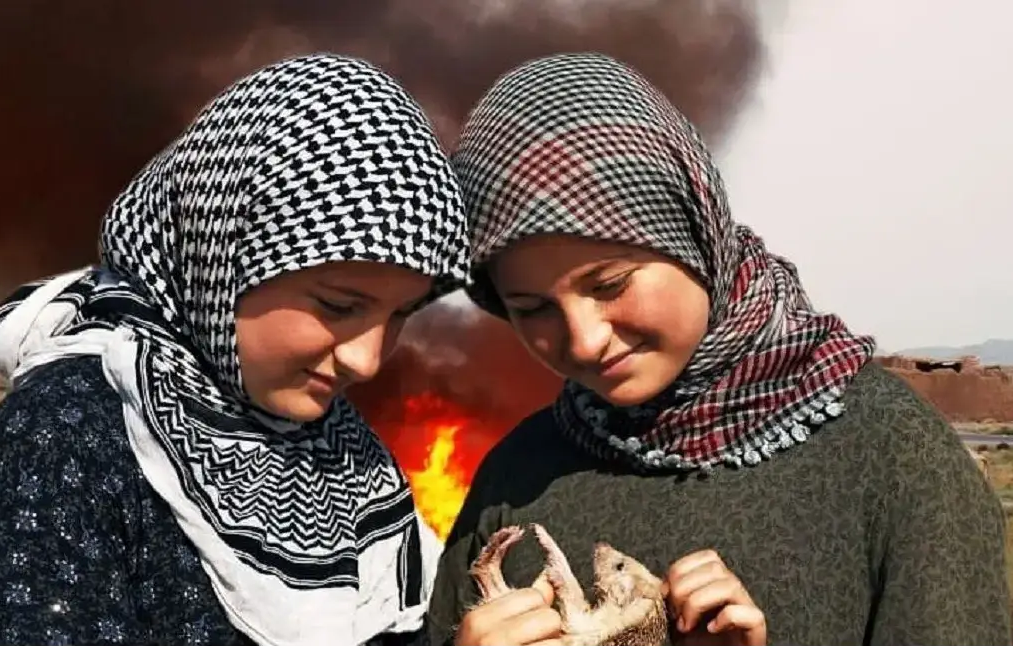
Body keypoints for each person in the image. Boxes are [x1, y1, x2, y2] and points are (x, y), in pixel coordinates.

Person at [427, 52, 1012, 647]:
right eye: (531, 309)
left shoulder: (891, 458)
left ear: (693, 234)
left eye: (610, 284)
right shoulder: (518, 475)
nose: (585, 339)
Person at [0, 53, 470, 647]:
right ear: (221, 256)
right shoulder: (61, 443)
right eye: (338, 306)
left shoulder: (343, 455)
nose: (366, 361)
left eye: (399, 315)